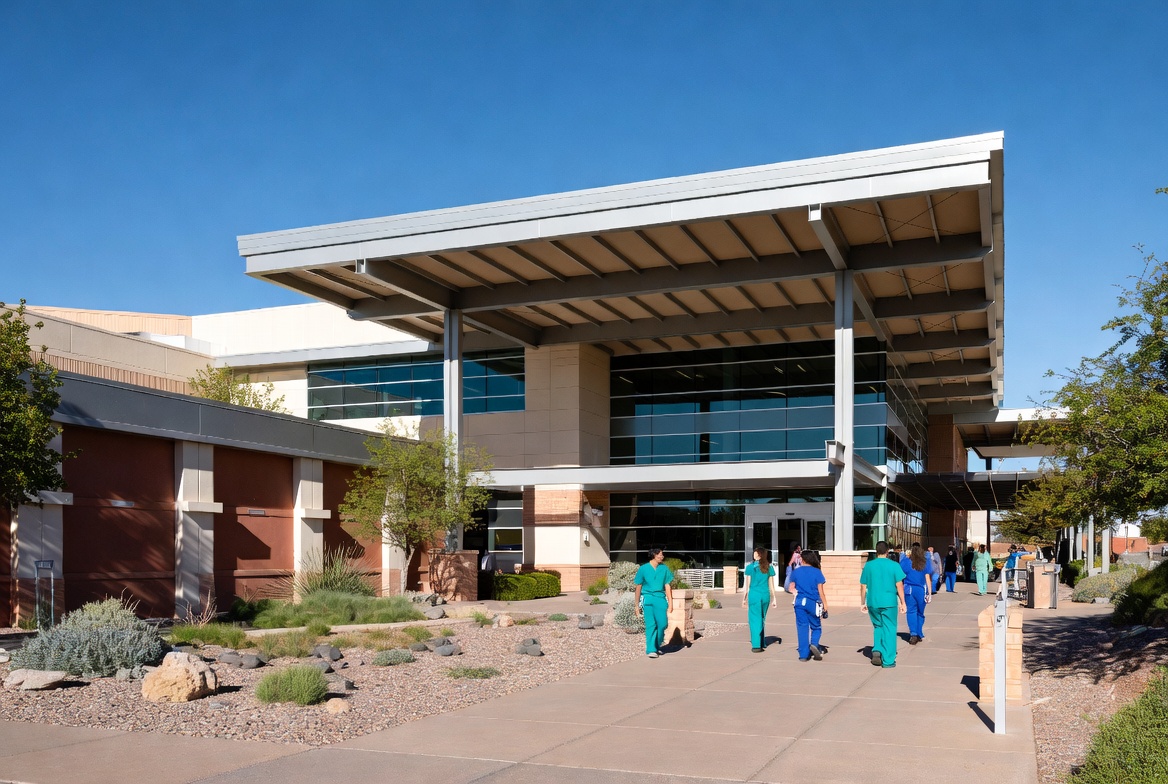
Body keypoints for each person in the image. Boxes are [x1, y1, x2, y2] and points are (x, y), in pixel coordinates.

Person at [859, 541, 906, 668]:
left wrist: (863, 602)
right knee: (890, 628)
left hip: (873, 601)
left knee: (878, 626)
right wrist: (903, 602)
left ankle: (877, 649)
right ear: (888, 551)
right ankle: (888, 660)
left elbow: (863, 586)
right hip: (889, 602)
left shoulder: (868, 566)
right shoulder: (894, 565)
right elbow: (899, 585)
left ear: (876, 551)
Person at [634, 547, 674, 659]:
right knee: (651, 625)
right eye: (660, 555)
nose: (662, 556)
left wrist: (671, 603)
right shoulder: (643, 569)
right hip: (648, 599)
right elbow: (638, 586)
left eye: (662, 554)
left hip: (660, 599)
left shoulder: (664, 569)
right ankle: (651, 649)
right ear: (654, 555)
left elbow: (667, 586)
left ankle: (657, 645)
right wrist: (636, 606)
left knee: (663, 624)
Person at [790, 549, 828, 661]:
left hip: (799, 602)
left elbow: (791, 587)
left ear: (804, 559)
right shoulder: (817, 572)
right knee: (816, 626)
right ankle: (814, 644)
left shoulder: (796, 572)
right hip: (812, 602)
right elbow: (821, 591)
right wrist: (825, 605)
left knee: (802, 627)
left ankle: (803, 654)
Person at [742, 546, 777, 652]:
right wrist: (774, 598)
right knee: (762, 618)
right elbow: (771, 585)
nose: (754, 554)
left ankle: (756, 644)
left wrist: (744, 599)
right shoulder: (769, 567)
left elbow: (747, 586)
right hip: (765, 595)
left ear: (760, 555)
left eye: (756, 553)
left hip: (754, 595)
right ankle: (762, 642)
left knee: (754, 619)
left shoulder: (750, 567)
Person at [900, 543, 932, 645]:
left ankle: (913, 633)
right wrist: (929, 594)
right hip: (921, 590)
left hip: (909, 590)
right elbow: (928, 578)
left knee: (911, 611)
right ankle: (919, 632)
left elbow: (900, 577)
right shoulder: (924, 563)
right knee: (920, 612)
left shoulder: (905, 562)